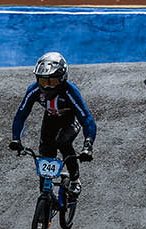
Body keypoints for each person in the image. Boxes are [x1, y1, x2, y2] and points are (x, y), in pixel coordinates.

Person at [8, 52, 96, 200]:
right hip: (50, 119)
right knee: (45, 152)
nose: (47, 87)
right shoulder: (34, 90)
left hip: (69, 120)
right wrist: (16, 139)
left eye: (52, 82)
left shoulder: (70, 91)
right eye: (43, 82)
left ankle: (75, 180)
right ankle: (45, 195)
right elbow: (20, 115)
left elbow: (87, 119)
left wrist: (88, 145)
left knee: (63, 142)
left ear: (62, 79)